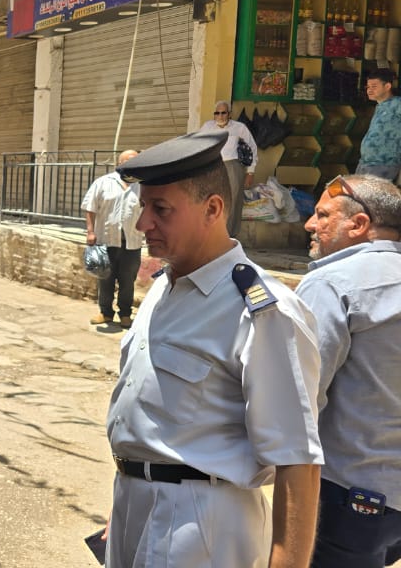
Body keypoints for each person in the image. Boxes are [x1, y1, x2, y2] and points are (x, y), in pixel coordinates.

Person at [105, 131, 323, 568]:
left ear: (213, 209)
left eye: (160, 209)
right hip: (134, 502)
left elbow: (298, 460)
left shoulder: (261, 310)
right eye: (143, 207)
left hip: (201, 522)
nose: (143, 224)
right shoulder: (166, 285)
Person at [293, 174, 401, 567]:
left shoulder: (332, 284)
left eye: (323, 215)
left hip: (344, 496)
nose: (310, 224)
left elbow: (299, 398)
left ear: (358, 225)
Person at [81, 149, 143, 328]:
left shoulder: (143, 185)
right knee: (105, 278)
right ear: (119, 164)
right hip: (106, 240)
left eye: (135, 161)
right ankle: (105, 312)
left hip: (132, 242)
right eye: (128, 161)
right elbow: (90, 207)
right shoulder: (103, 182)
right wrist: (90, 232)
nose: (132, 164)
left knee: (127, 281)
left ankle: (125, 314)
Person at [200, 101, 258, 238]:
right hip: (213, 166)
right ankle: (211, 234)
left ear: (229, 114)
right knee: (212, 198)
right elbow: (198, 144)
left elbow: (252, 148)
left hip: (233, 166)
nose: (220, 116)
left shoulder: (239, 128)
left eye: (223, 113)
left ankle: (229, 235)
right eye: (217, 113)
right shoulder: (207, 127)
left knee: (232, 199)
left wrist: (250, 172)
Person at [359, 68, 401, 182]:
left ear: (387, 86)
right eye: (368, 87)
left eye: (374, 86)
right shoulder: (380, 106)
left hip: (383, 164)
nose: (369, 90)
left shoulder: (397, 103)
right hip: (366, 163)